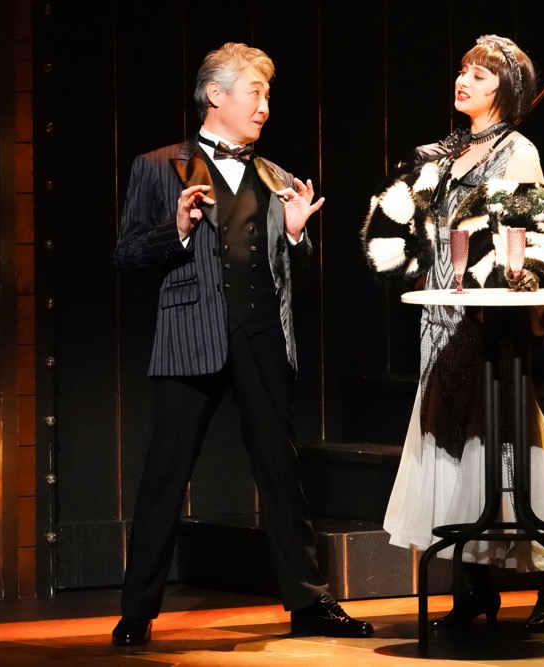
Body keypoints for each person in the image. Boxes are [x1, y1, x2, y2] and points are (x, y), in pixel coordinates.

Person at [111, 42, 373, 646]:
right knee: (165, 475)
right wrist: (177, 229)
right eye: (255, 93)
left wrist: (298, 236)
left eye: (268, 95)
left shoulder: (276, 177)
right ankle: (137, 611)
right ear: (216, 94)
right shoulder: (160, 165)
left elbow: (288, 271)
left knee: (282, 473)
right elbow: (126, 255)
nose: (264, 107)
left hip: (261, 335)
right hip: (191, 335)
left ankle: (310, 604)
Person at [361, 35, 544, 631]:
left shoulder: (517, 152)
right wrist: (415, 259)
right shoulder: (440, 154)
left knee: (506, 448)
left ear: (505, 88)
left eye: (478, 74)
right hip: (439, 315)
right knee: (451, 449)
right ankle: (472, 590)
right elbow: (404, 230)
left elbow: (533, 236)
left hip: (486, 319)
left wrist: (503, 281)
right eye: (463, 70)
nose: (463, 80)